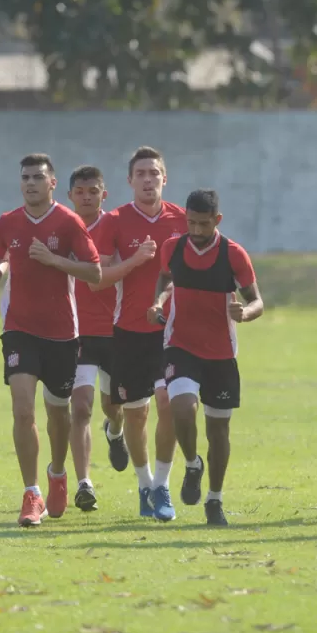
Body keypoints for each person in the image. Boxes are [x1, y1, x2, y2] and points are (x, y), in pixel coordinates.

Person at [0, 154, 102, 527]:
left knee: (57, 413)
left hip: (62, 334)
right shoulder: (8, 221)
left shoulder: (68, 222)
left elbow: (95, 272)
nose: (31, 183)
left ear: (52, 184)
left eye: (38, 177)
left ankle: (57, 473)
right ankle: (31, 493)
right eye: (25, 177)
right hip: (19, 329)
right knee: (22, 408)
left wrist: (54, 260)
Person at [150, 189, 263, 526]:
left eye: (203, 224)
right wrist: (157, 302)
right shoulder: (173, 248)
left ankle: (214, 499)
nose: (196, 230)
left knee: (218, 431)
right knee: (181, 408)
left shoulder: (234, 255)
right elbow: (164, 279)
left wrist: (244, 313)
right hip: (180, 345)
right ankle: (191, 463)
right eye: (191, 223)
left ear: (218, 220)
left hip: (221, 352)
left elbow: (257, 301)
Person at [92, 146, 188, 521]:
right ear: (130, 181)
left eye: (155, 173)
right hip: (129, 331)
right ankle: (144, 485)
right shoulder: (113, 221)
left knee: (168, 405)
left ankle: (162, 486)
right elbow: (98, 279)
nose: (148, 180)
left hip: (172, 333)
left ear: (165, 178)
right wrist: (134, 261)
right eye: (141, 174)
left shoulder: (183, 221)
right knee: (135, 414)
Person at [65, 165, 151, 512]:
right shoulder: (60, 226)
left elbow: (105, 276)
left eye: (93, 191)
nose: (86, 197)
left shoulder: (115, 225)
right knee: (80, 407)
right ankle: (84, 483)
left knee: (113, 408)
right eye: (80, 192)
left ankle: (114, 432)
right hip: (75, 331)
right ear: (69, 195)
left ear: (104, 194)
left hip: (116, 331)